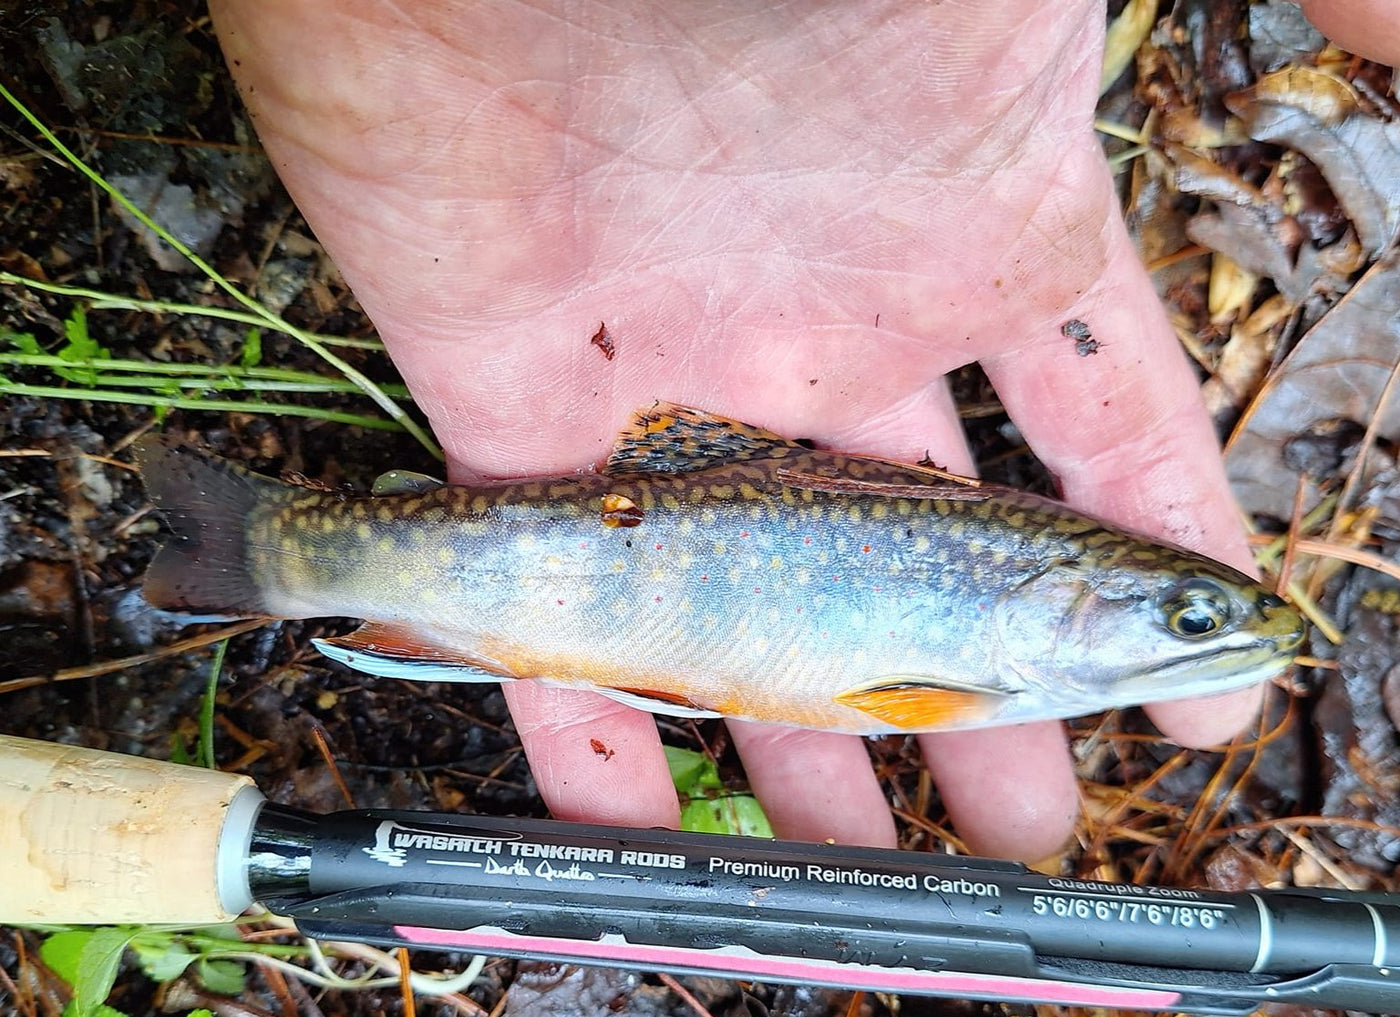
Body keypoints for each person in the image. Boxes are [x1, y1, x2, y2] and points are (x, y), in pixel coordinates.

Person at [206, 0, 1396, 860]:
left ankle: (280, 550)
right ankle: (275, 550)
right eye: (1187, 613)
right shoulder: (981, 664)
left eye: (1195, 616)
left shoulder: (997, 653)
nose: (1202, 628)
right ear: (1070, 585)